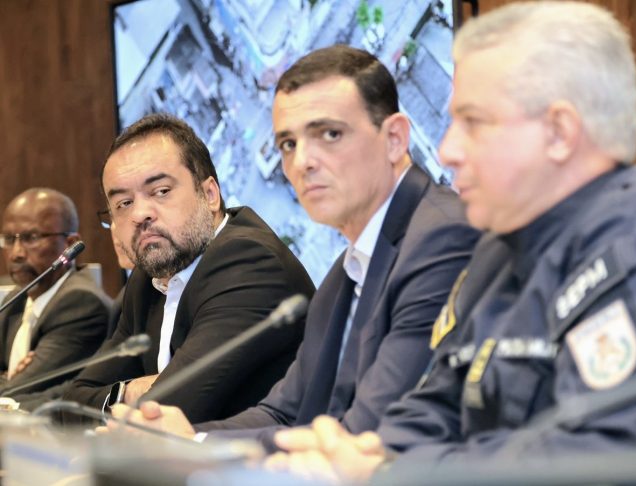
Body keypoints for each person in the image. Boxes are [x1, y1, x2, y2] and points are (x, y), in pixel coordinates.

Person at [259, 2, 636, 482]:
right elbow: (437, 403)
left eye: (473, 123)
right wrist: (363, 453)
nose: (449, 150)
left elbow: (605, 458)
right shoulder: (498, 253)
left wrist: (394, 471)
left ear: (559, 132)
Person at [111, 45, 480, 447]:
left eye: (330, 134)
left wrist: (195, 447)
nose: (302, 162)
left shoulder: (440, 239)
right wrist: (184, 438)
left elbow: (368, 431)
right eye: (288, 144)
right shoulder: (345, 272)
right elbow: (284, 412)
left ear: (394, 138)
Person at [63, 114, 315, 424]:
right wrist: (131, 390)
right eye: (124, 203)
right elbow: (71, 405)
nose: (140, 214)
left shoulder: (249, 263)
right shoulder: (148, 279)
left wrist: (132, 395)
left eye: (161, 191)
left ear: (209, 195)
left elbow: (162, 418)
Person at [0, 188, 111, 394]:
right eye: (8, 239)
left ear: (70, 244)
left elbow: (18, 391)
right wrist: (8, 379)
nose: (16, 253)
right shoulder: (16, 298)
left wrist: (10, 380)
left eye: (31, 237)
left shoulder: (80, 303)